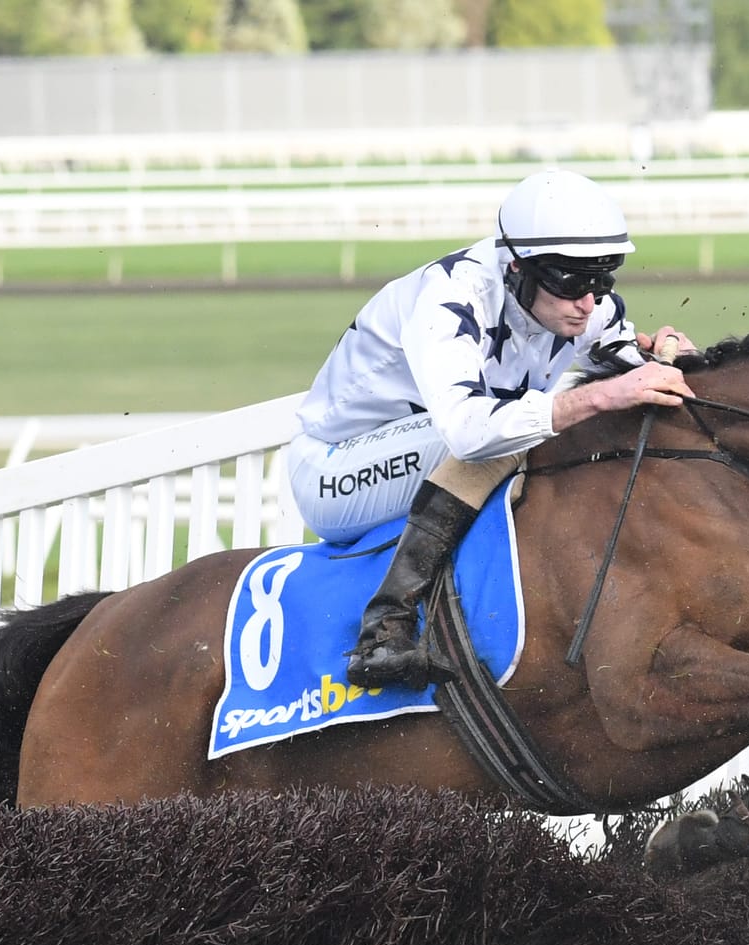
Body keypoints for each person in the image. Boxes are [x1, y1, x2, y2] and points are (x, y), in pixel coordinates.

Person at [286, 168, 696, 691]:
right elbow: (466, 432)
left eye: (601, 280)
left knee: (556, 419)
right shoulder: (451, 296)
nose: (588, 303)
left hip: (425, 457)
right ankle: (385, 629)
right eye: (571, 283)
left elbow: (622, 360)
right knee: (509, 432)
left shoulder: (582, 304)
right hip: (335, 470)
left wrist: (664, 354)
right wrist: (595, 395)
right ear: (516, 267)